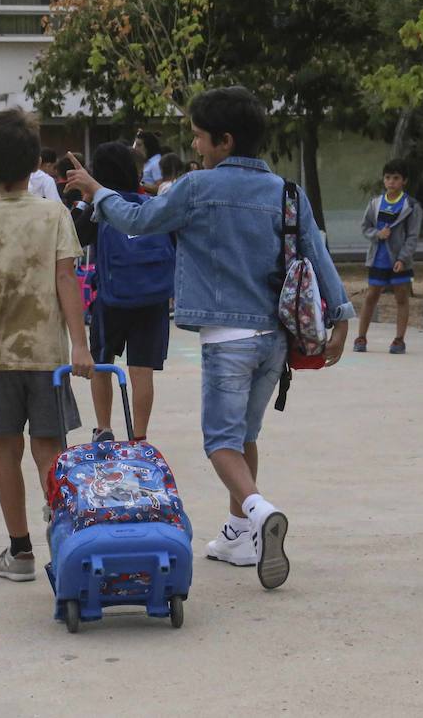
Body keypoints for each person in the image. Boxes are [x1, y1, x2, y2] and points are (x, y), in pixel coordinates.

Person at [66, 86, 353, 591]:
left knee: (220, 442)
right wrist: (341, 316)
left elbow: (137, 220)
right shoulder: (287, 191)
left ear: (223, 140)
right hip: (275, 339)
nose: (194, 147)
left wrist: (98, 191)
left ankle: (261, 513)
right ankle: (239, 533)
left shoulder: (197, 188)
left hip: (227, 337)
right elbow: (318, 253)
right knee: (244, 437)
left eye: (199, 138)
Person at [0, 108, 92, 581]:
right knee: (49, 449)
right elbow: (68, 279)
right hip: (48, 357)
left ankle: (20, 552)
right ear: (34, 167)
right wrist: (80, 347)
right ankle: (63, 535)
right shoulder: (54, 215)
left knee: (5, 449)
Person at [71, 142, 172, 443]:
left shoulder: (101, 208)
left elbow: (73, 237)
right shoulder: (151, 206)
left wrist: (85, 199)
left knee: (102, 364)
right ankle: (139, 436)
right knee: (142, 370)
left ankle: (104, 428)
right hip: (152, 300)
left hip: (110, 300)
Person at [354, 159, 423, 355]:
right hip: (378, 258)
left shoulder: (411, 206)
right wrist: (377, 234)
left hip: (399, 261)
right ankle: (361, 336)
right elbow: (365, 227)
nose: (391, 182)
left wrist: (403, 258)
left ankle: (399, 339)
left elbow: (412, 236)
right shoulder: (375, 203)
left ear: (404, 181)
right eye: (387, 178)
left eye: (396, 178)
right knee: (371, 296)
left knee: (401, 296)